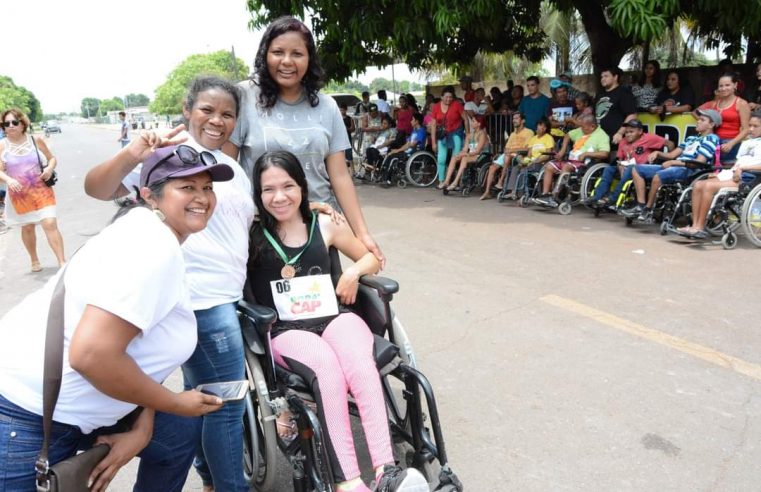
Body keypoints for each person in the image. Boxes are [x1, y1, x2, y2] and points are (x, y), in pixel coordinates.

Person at [0, 145, 232, 492]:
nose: (202, 198)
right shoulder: (151, 247)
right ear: (149, 197)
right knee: (181, 420)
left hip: (81, 401)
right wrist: (174, 402)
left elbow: (142, 351)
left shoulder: (152, 234)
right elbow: (91, 355)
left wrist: (142, 425)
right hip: (27, 413)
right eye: (186, 188)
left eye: (207, 188)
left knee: (177, 436)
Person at [84, 76, 256, 492]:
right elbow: (98, 188)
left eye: (227, 114)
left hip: (228, 295)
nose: (217, 120)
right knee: (226, 406)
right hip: (203, 300)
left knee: (201, 397)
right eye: (207, 110)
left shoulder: (229, 165)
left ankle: (211, 477)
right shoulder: (167, 154)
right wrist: (132, 152)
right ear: (187, 109)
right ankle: (232, 486)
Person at [246, 150, 429, 492]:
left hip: (334, 317)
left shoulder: (326, 223)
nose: (279, 196)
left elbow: (371, 258)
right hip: (287, 329)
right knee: (327, 370)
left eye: (288, 185)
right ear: (257, 195)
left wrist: (353, 273)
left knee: (360, 365)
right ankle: (349, 482)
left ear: (302, 186)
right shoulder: (250, 234)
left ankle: (387, 473)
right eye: (268, 189)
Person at [224, 16, 384, 265]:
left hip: (318, 229)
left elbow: (340, 176)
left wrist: (362, 234)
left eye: (297, 53)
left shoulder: (326, 106)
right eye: (278, 52)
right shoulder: (243, 97)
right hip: (259, 231)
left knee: (326, 302)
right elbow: (227, 170)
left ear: (309, 59)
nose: (287, 61)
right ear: (265, 54)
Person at [622, 109, 721, 223]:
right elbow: (671, 155)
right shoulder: (691, 138)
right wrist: (658, 153)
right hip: (676, 166)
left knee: (659, 175)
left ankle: (648, 209)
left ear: (712, 125)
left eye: (702, 120)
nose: (698, 121)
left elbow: (699, 162)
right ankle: (641, 205)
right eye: (698, 119)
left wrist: (673, 162)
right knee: (637, 169)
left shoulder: (712, 138)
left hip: (691, 170)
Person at [676, 110, 761, 238]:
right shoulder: (747, 143)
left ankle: (699, 227)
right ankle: (695, 225)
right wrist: (721, 173)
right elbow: (738, 163)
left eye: (755, 126)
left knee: (709, 187)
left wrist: (743, 169)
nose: (750, 129)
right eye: (749, 125)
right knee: (699, 184)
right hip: (735, 173)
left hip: (750, 178)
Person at [0, 108, 65, 271]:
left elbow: (52, 158)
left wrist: (49, 168)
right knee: (27, 227)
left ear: (23, 124)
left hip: (42, 190)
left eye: (14, 122)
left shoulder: (36, 140)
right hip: (19, 195)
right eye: (6, 123)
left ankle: (62, 261)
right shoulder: (2, 146)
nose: (10, 126)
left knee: (50, 222)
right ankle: (34, 260)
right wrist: (8, 179)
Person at [584, 119, 674, 208]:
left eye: (631, 132)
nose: (628, 134)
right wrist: (620, 166)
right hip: (625, 167)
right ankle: (597, 196)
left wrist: (668, 159)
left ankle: (613, 198)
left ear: (640, 131)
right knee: (609, 169)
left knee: (631, 168)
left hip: (641, 169)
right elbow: (619, 159)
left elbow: (670, 144)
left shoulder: (649, 138)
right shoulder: (623, 141)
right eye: (626, 132)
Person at [534, 114, 610, 208]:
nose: (581, 129)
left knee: (567, 167)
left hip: (585, 163)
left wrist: (586, 154)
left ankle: (554, 196)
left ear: (593, 126)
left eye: (584, 128)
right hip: (571, 159)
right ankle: (545, 195)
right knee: (549, 166)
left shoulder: (602, 136)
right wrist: (562, 151)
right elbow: (567, 135)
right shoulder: (581, 130)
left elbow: (605, 153)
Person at [696, 73, 750, 163]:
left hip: (730, 143)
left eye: (727, 85)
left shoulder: (741, 103)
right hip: (712, 141)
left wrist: (731, 143)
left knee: (722, 171)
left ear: (735, 85)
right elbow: (697, 112)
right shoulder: (715, 103)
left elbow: (746, 129)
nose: (723, 88)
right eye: (721, 86)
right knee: (706, 168)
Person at [497, 117, 554, 200]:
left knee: (524, 170)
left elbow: (548, 155)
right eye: (539, 125)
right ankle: (512, 191)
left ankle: (521, 193)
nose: (539, 127)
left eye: (542, 126)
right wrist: (525, 160)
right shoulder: (533, 139)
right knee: (516, 168)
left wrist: (536, 160)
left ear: (545, 128)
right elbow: (529, 154)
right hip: (532, 161)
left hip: (541, 163)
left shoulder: (548, 138)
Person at [439, 114, 490, 191]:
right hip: (471, 155)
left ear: (479, 124)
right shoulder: (469, 135)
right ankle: (446, 181)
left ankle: (455, 182)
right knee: (454, 157)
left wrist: (465, 154)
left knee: (464, 159)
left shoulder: (482, 134)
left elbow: (478, 151)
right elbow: (465, 149)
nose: (471, 123)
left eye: (473, 121)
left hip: (482, 156)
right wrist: (460, 154)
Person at [487, 112, 534, 193]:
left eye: (516, 118)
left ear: (523, 121)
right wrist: (508, 151)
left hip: (519, 154)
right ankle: (487, 191)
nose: (514, 120)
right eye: (513, 118)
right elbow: (506, 148)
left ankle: (501, 181)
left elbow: (526, 149)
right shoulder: (512, 134)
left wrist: (511, 151)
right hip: (508, 154)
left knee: (507, 156)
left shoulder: (529, 132)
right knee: (492, 167)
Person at [431, 86, 468, 186]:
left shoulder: (457, 105)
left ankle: (454, 180)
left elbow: (465, 119)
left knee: (456, 157)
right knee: (441, 158)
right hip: (443, 134)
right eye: (446, 97)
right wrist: (433, 142)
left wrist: (468, 133)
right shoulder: (436, 107)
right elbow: (433, 125)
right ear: (442, 97)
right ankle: (441, 180)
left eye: (450, 97)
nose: (448, 99)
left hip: (456, 132)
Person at [381, 112, 427, 186]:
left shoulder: (421, 131)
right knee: (390, 154)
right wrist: (397, 150)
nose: (411, 121)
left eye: (412, 120)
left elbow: (412, 144)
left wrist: (398, 150)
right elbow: (407, 144)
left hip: (415, 153)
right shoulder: (414, 131)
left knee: (393, 157)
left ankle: (387, 179)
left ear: (417, 121)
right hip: (408, 151)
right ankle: (384, 175)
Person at [595, 67, 638, 146]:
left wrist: (620, 133)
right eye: (602, 77)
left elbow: (632, 115)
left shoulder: (623, 92)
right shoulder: (599, 94)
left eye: (606, 76)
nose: (602, 79)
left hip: (616, 139)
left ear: (615, 77)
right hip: (600, 139)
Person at [339, 102, 355, 168]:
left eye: (343, 110)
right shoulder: (338, 119)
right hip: (339, 138)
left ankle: (352, 170)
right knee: (340, 153)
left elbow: (353, 129)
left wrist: (346, 128)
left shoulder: (349, 118)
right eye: (340, 110)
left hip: (347, 137)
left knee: (349, 154)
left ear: (346, 110)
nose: (342, 111)